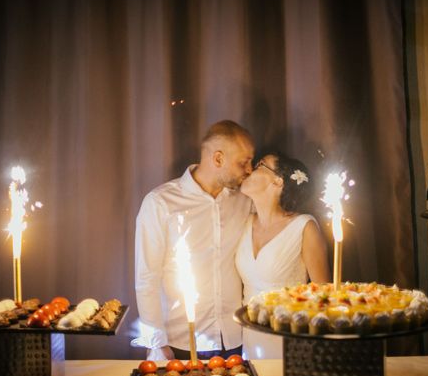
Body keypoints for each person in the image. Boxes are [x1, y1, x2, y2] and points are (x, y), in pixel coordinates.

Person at [134, 120, 254, 361]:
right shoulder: (160, 203)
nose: (250, 170)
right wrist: (157, 343)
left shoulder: (245, 200)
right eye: (243, 162)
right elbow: (146, 277)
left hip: (237, 340)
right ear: (218, 159)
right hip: (179, 342)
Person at [235, 151, 330, 359]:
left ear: (278, 182)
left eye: (260, 164)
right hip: (251, 339)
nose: (249, 169)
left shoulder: (304, 226)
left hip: (291, 340)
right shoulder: (244, 222)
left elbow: (324, 294)